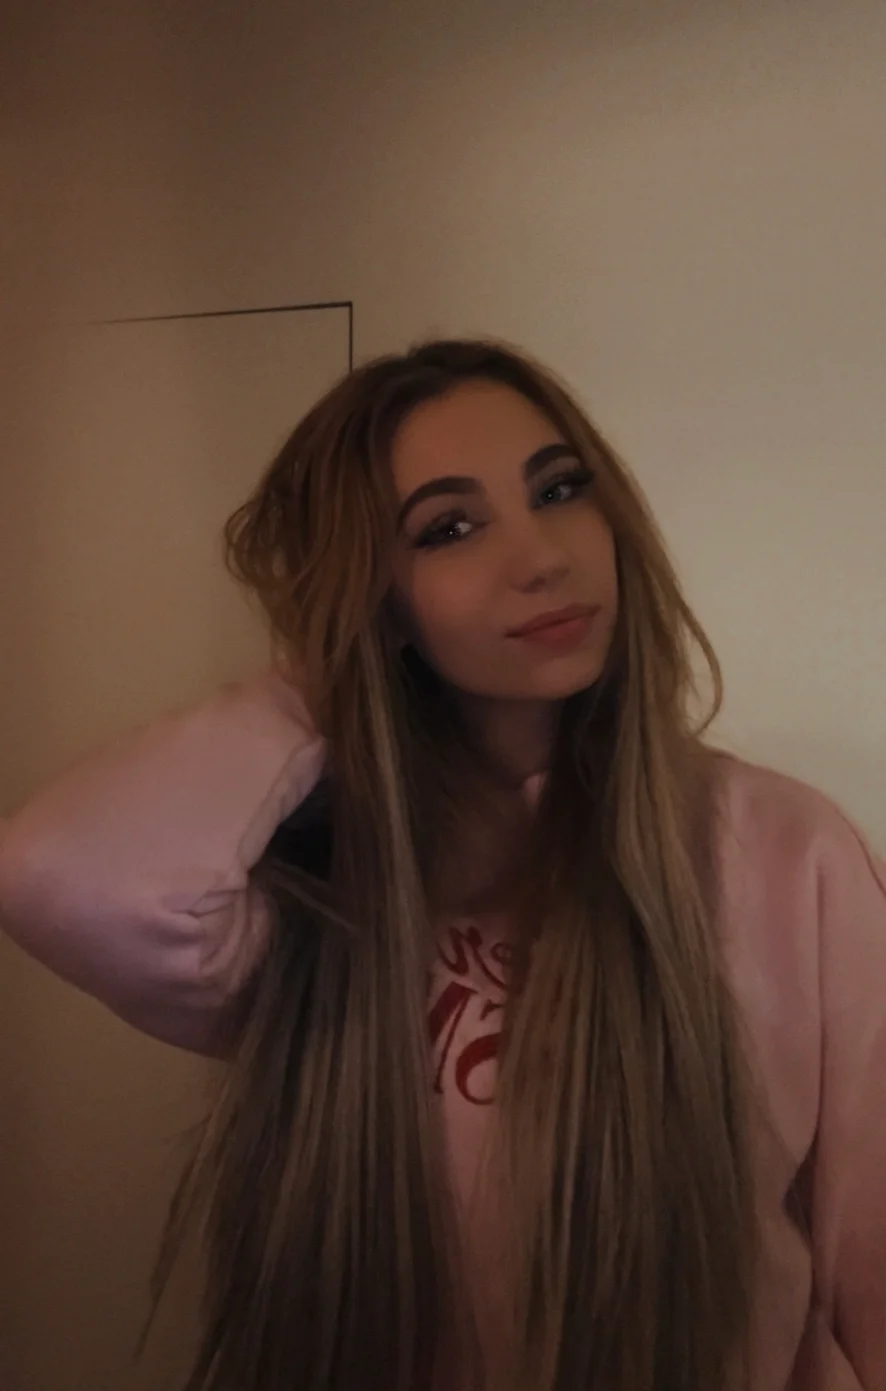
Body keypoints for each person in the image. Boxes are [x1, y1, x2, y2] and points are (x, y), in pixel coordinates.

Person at [0, 338, 883, 1391]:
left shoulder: (788, 851)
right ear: (378, 596)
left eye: (559, 489)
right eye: (450, 528)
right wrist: (334, 671)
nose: (542, 555)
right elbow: (55, 874)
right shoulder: (317, 879)